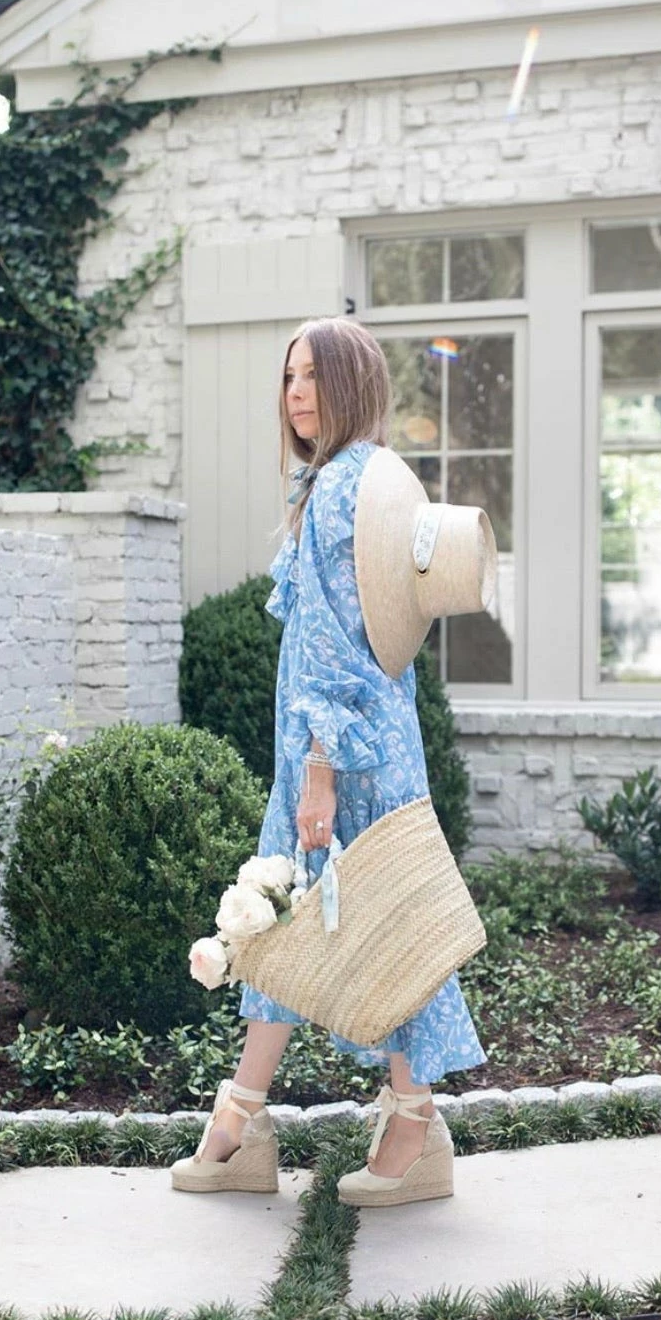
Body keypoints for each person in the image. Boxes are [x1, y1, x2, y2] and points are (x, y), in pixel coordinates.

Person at [171, 316, 487, 1208]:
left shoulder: (345, 485)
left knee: (375, 925)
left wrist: (317, 771)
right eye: (289, 376)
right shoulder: (342, 480)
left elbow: (333, 644)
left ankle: (407, 1128)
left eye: (313, 375)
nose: (296, 392)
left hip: (343, 755)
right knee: (295, 929)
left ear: (351, 385)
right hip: (352, 743)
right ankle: (244, 1120)